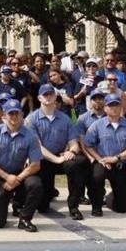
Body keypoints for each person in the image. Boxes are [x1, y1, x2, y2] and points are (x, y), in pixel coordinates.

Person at [0, 99, 42, 232]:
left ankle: (25, 218)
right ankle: (2, 204)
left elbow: (36, 164)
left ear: (22, 114)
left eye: (16, 113)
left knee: (36, 184)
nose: (14, 117)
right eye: (10, 113)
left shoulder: (31, 136)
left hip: (20, 175)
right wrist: (7, 177)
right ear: (4, 115)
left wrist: (16, 179)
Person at [25, 83, 88, 220]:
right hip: (42, 161)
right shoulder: (31, 119)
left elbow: (73, 142)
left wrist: (71, 151)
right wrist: (56, 159)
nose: (48, 97)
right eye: (45, 94)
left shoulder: (65, 119)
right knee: (43, 206)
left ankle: (74, 206)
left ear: (55, 97)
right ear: (39, 98)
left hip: (61, 157)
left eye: (51, 94)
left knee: (76, 163)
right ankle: (45, 197)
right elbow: (37, 146)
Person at [82, 94, 126, 215]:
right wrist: (99, 159)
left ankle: (110, 199)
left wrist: (116, 158)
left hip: (121, 163)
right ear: (105, 108)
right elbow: (88, 144)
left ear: (121, 107)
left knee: (122, 208)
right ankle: (96, 206)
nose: (114, 108)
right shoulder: (97, 125)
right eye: (110, 105)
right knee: (97, 177)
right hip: (103, 162)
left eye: (116, 105)